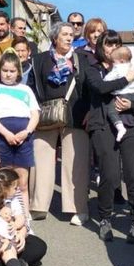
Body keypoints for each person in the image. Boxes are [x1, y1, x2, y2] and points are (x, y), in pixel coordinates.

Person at [84, 30, 134, 242]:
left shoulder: (131, 67)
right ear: (101, 48)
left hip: (130, 125)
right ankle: (105, 218)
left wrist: (133, 103)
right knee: (109, 175)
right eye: (108, 45)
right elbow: (101, 88)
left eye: (115, 44)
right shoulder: (93, 69)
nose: (111, 49)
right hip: (103, 126)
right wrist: (125, 79)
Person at [30, 21, 90, 225]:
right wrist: (36, 109)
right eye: (64, 33)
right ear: (54, 38)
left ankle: (77, 208)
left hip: (75, 114)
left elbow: (89, 86)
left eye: (71, 34)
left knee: (76, 163)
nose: (69, 36)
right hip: (46, 115)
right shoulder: (39, 59)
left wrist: (89, 111)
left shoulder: (81, 59)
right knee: (41, 158)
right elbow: (31, 86)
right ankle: (38, 205)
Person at [0, 49, 39, 214]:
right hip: (1, 138)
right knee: (1, 180)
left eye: (12, 71)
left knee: (22, 183)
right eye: (5, 71)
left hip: (24, 140)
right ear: (0, 71)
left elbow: (35, 114)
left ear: (18, 72)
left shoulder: (26, 90)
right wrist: (6, 133)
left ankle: (25, 217)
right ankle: (0, 213)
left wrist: (27, 132)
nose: (8, 74)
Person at [103, 46, 134, 142]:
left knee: (111, 111)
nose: (113, 64)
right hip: (133, 94)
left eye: (114, 62)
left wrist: (104, 79)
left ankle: (120, 127)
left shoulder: (118, 68)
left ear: (122, 61)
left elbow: (107, 80)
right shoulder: (133, 67)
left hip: (121, 95)